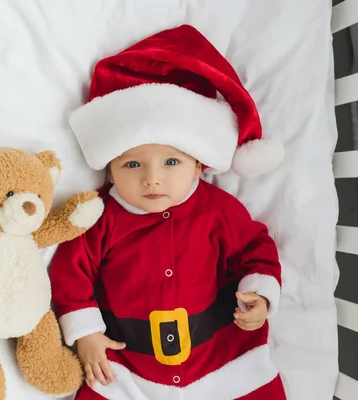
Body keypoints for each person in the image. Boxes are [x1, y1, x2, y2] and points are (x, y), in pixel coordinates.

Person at [48, 25, 287, 400]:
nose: (152, 179)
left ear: (197, 165)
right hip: (129, 367)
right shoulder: (101, 216)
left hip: (223, 358)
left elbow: (255, 247)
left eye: (171, 161)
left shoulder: (218, 209)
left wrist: (259, 292)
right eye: (132, 166)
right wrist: (87, 333)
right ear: (109, 168)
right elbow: (70, 273)